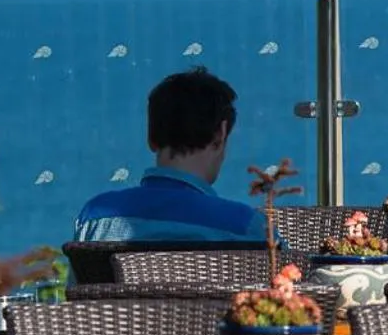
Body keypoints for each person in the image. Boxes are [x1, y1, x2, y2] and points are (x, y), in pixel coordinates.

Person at [73, 67, 267, 242]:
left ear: (151, 137)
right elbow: (287, 278)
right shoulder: (247, 228)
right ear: (220, 134)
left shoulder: (96, 218)